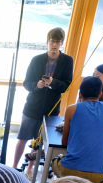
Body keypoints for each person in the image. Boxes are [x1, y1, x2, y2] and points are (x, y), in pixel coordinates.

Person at [15, 27, 74, 173]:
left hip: (51, 109)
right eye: (52, 41)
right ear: (47, 42)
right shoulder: (36, 60)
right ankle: (14, 166)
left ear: (62, 43)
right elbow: (26, 83)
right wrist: (36, 86)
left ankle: (30, 169)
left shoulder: (67, 61)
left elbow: (66, 86)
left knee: (39, 141)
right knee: (23, 138)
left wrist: (52, 83)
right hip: (32, 106)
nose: (54, 45)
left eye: (58, 42)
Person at [51, 76, 103, 183]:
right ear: (100, 94)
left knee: (55, 161)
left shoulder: (71, 109)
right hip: (99, 175)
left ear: (80, 94)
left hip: (71, 170)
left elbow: (64, 142)